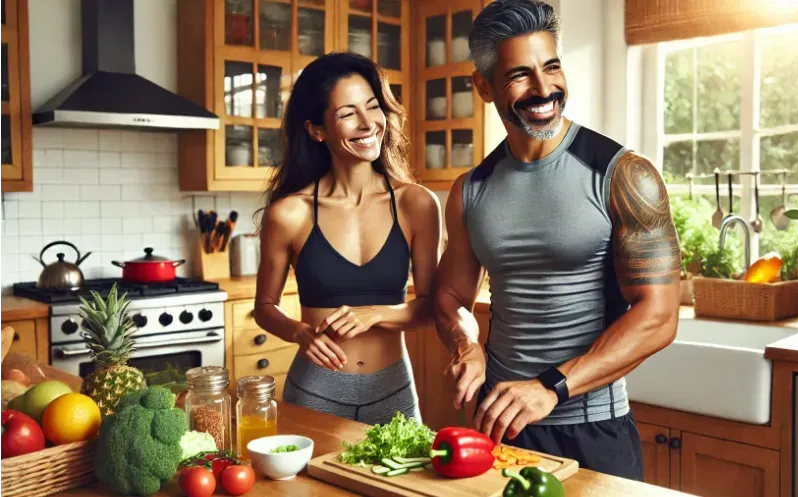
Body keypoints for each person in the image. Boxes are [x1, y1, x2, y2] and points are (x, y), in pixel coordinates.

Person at [433, 0, 681, 481]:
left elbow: (660, 316)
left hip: (592, 426)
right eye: (520, 75)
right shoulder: (471, 190)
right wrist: (466, 344)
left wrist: (551, 387)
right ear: (483, 87)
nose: (544, 89)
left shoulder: (623, 175)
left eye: (552, 66)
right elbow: (450, 296)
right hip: (500, 427)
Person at [254, 52, 442, 426]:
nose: (367, 123)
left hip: (393, 392)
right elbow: (265, 307)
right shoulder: (291, 214)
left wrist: (375, 315)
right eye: (346, 113)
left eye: (373, 107)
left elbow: (431, 307)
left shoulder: (416, 204)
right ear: (316, 129)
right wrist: (300, 333)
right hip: (314, 390)